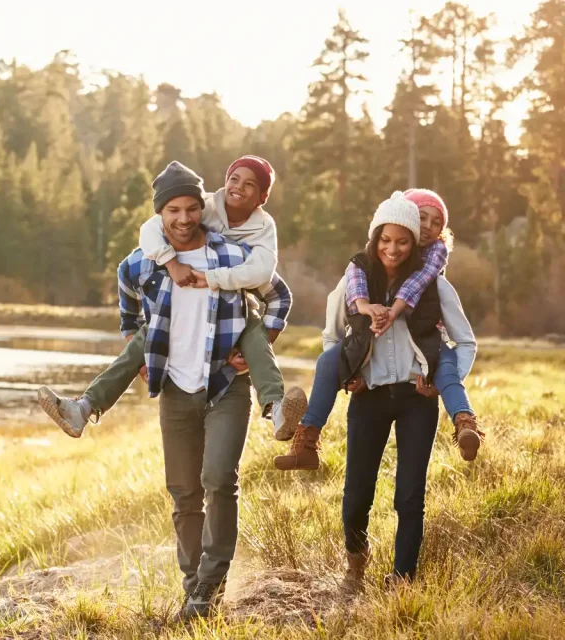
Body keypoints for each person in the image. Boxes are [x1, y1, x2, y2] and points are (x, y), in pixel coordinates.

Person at [108, 162, 293, 619]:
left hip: (226, 384)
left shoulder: (230, 255)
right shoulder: (145, 260)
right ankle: (194, 588)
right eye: (173, 210)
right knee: (184, 492)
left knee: (219, 480)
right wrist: (137, 348)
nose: (184, 218)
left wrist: (258, 343)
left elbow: (279, 294)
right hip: (175, 386)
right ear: (160, 214)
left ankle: (210, 584)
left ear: (201, 208)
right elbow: (127, 297)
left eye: (192, 208)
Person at [38, 157, 306, 443]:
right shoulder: (203, 206)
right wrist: (171, 263)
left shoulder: (262, 229)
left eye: (250, 184)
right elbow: (150, 230)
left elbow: (267, 276)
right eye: (234, 179)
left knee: (254, 331)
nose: (184, 218)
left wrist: (257, 345)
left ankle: (276, 408)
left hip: (236, 305)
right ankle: (83, 408)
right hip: (179, 308)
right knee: (146, 336)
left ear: (262, 197)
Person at [319, 192, 477, 590]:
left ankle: (403, 577)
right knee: (357, 493)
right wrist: (348, 375)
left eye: (403, 240)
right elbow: (332, 337)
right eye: (387, 240)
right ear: (377, 237)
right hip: (368, 397)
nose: (394, 248)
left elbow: (465, 342)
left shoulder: (434, 285)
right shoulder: (355, 281)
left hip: (415, 399)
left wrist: (440, 381)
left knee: (409, 495)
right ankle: (356, 562)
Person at [275, 188, 484, 471]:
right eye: (422, 217)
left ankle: (465, 422)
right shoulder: (361, 266)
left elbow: (420, 285)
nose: (428, 227)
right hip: (370, 377)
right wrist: (350, 370)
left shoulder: (433, 267)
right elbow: (337, 324)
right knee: (327, 361)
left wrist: (395, 311)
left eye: (436, 223)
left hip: (426, 349)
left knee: (446, 367)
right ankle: (306, 440)